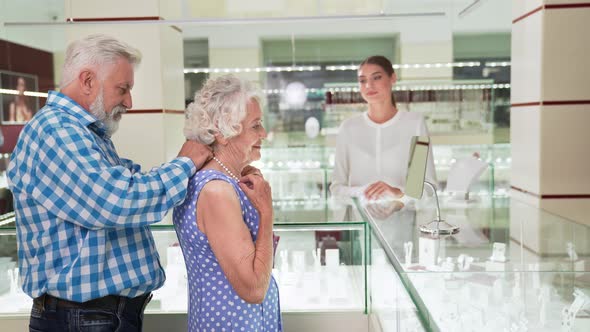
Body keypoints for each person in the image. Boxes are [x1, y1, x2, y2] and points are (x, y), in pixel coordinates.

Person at [7, 34, 212, 332]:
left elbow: (130, 183)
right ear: (88, 80)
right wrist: (185, 163)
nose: (129, 101)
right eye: (123, 88)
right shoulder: (56, 132)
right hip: (82, 319)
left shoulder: (84, 134)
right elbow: (118, 201)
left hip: (97, 317)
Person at [173, 74, 282, 331]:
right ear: (223, 132)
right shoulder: (217, 192)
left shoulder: (225, 181)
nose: (264, 133)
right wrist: (266, 213)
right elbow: (254, 288)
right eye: (255, 125)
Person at [330, 55, 436, 201]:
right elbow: (337, 188)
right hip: (361, 221)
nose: (369, 86)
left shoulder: (415, 124)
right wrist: (365, 191)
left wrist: (399, 193)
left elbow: (428, 187)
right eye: (362, 80)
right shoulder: (348, 128)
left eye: (377, 77)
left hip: (404, 220)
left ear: (392, 78)